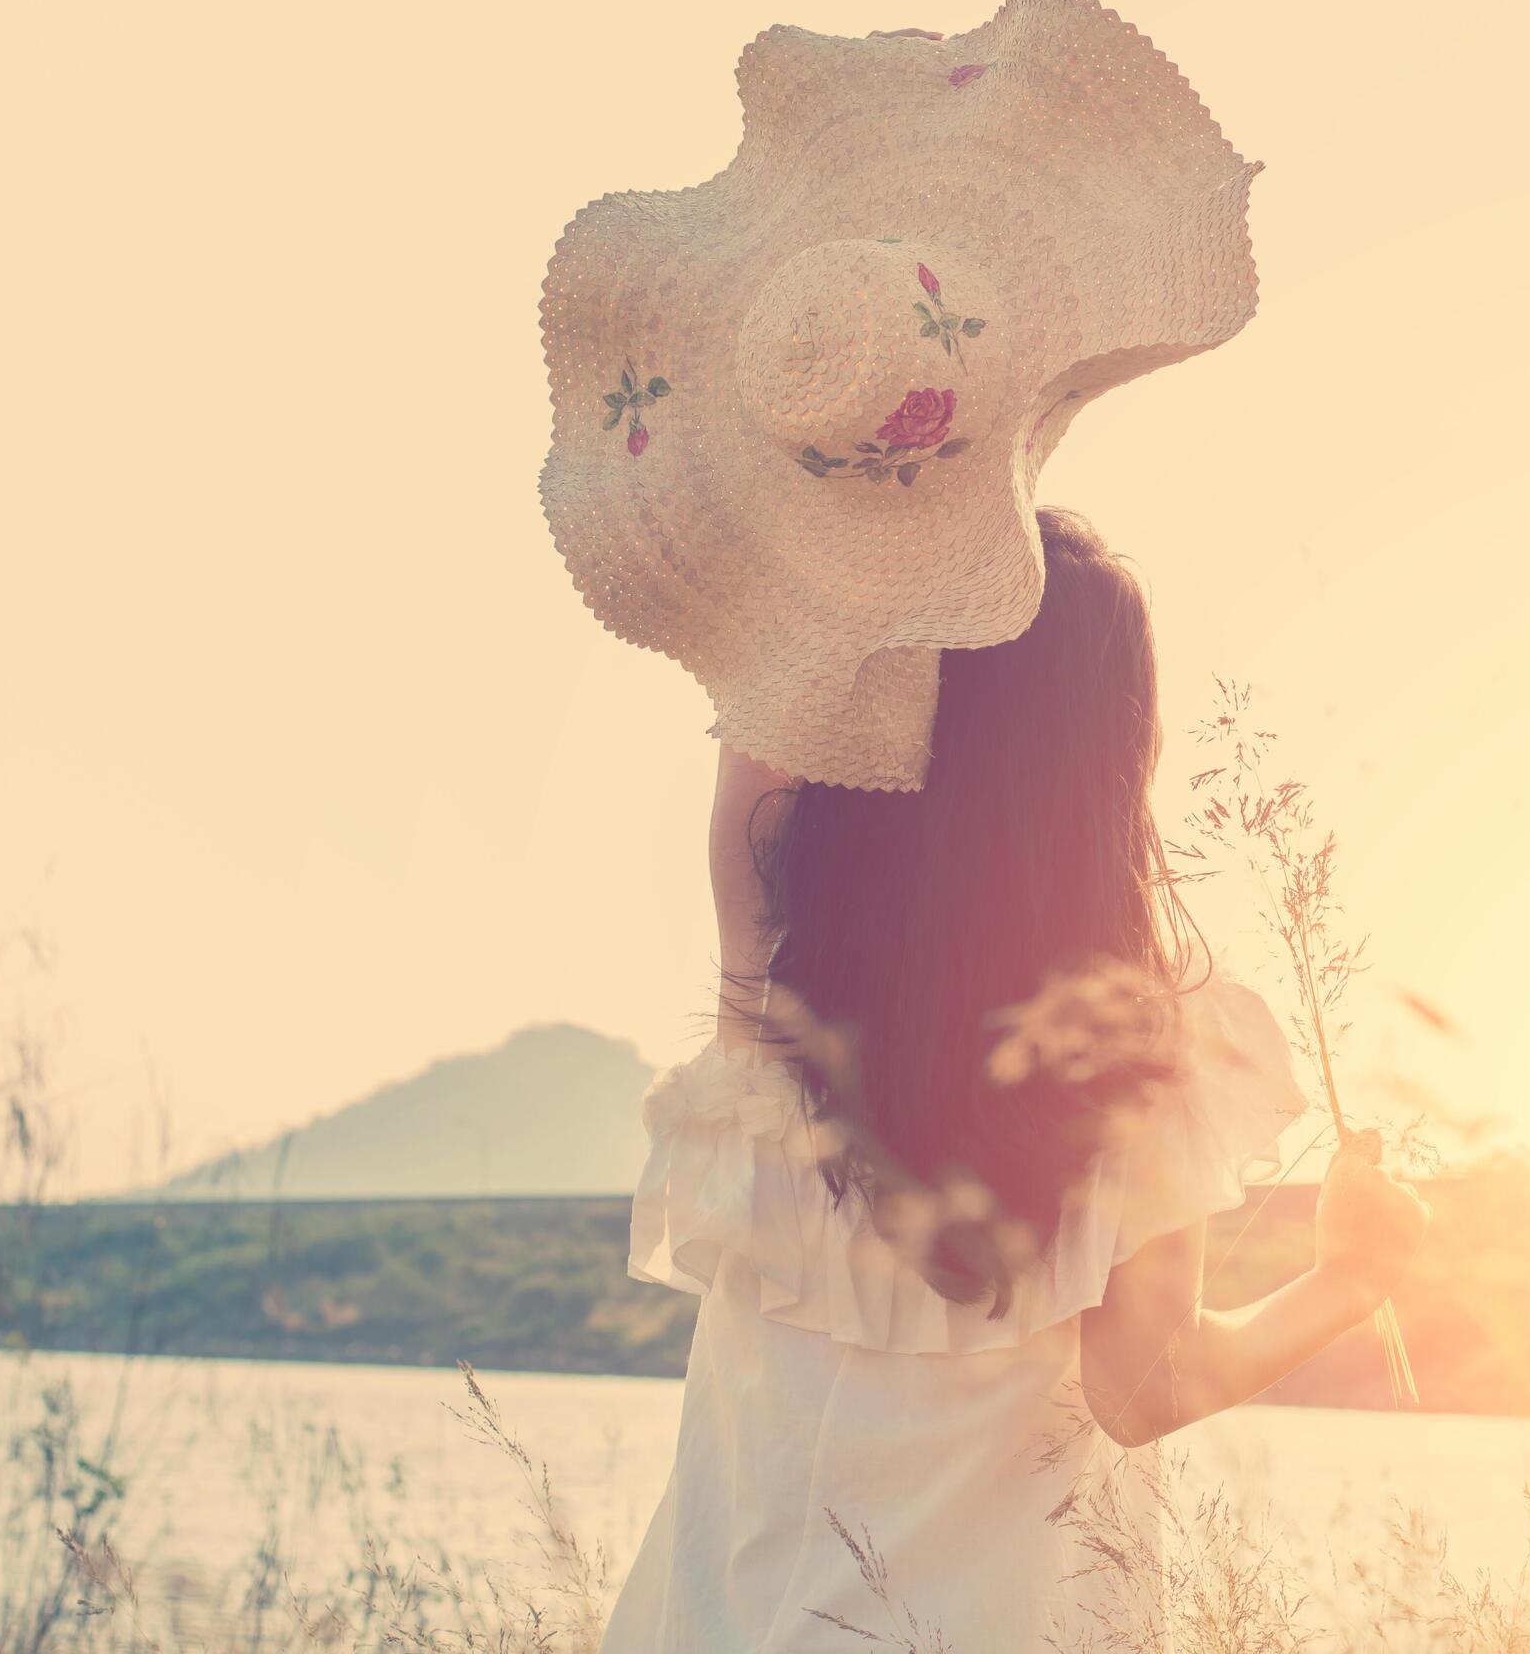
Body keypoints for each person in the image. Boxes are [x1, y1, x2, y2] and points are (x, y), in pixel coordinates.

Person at [598, 506, 1431, 1651]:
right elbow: (1149, 1390)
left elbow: (765, 698)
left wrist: (895, 535)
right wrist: (1347, 1280)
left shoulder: (771, 986)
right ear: (1112, 752)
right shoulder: (1148, 1054)